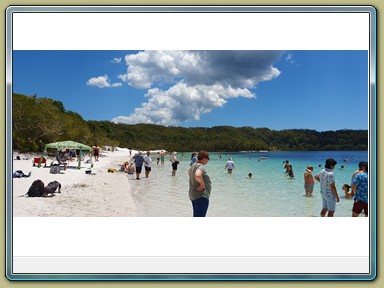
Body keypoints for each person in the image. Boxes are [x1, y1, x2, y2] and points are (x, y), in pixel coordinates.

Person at [188, 151, 211, 217]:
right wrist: (202, 184)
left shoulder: (194, 165)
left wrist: (194, 180)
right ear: (204, 158)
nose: (208, 160)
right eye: (208, 158)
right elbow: (198, 175)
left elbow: (189, 172)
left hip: (193, 194)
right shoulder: (201, 167)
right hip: (200, 196)